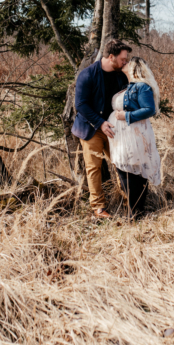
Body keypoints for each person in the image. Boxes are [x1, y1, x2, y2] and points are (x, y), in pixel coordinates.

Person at [72, 39, 131, 219]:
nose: (125, 62)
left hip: (114, 128)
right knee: (94, 167)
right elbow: (80, 104)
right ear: (111, 56)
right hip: (92, 128)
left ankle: (130, 201)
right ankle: (99, 208)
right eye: (122, 59)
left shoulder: (122, 75)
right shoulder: (87, 74)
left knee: (122, 162)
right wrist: (100, 123)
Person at [107, 56, 162, 218]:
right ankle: (136, 211)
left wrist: (126, 115)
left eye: (128, 62)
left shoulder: (142, 87)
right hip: (122, 136)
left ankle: (135, 212)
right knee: (127, 169)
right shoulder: (128, 87)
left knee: (134, 170)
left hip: (134, 134)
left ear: (134, 68)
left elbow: (149, 109)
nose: (124, 63)